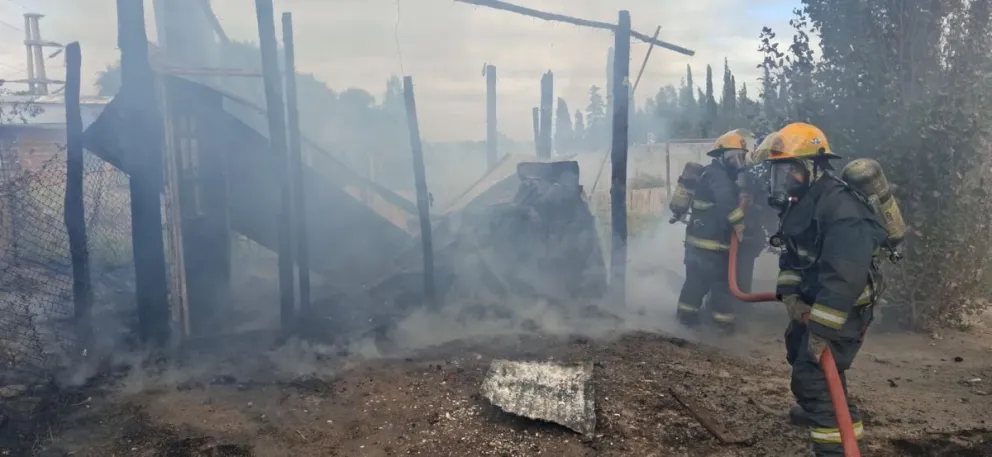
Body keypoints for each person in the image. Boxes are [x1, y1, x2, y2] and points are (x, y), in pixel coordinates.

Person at [757, 122, 888, 456]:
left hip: (842, 310)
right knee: (798, 350)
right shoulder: (799, 204)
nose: (784, 179)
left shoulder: (842, 210)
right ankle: (829, 411)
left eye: (791, 170)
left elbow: (844, 278)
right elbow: (791, 255)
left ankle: (837, 445)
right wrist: (790, 295)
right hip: (815, 303)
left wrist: (821, 329)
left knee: (813, 373)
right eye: (779, 172)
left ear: (813, 166)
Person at [675, 128, 752, 332]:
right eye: (735, 158)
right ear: (722, 156)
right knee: (719, 286)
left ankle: (686, 319)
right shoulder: (718, 177)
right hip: (710, 246)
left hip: (701, 244)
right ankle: (722, 328)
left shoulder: (716, 175)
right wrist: (739, 224)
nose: (739, 163)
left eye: (742, 158)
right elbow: (726, 204)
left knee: (696, 284)